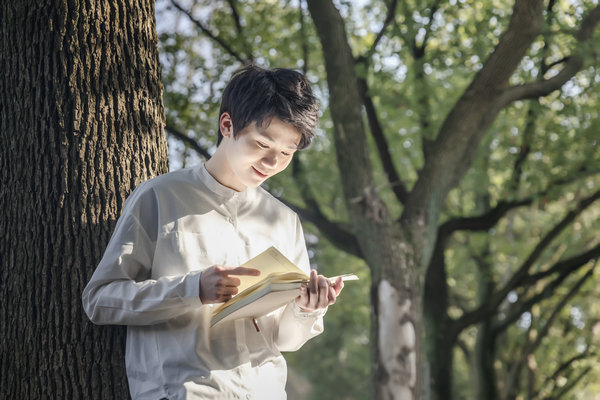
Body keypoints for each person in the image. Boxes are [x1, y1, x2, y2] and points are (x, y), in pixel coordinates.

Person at [82, 64, 344, 400]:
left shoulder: (283, 220)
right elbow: (100, 300)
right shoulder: (159, 197)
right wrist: (193, 289)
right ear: (227, 125)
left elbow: (284, 340)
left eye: (285, 153)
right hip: (183, 392)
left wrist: (306, 309)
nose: (271, 163)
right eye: (262, 144)